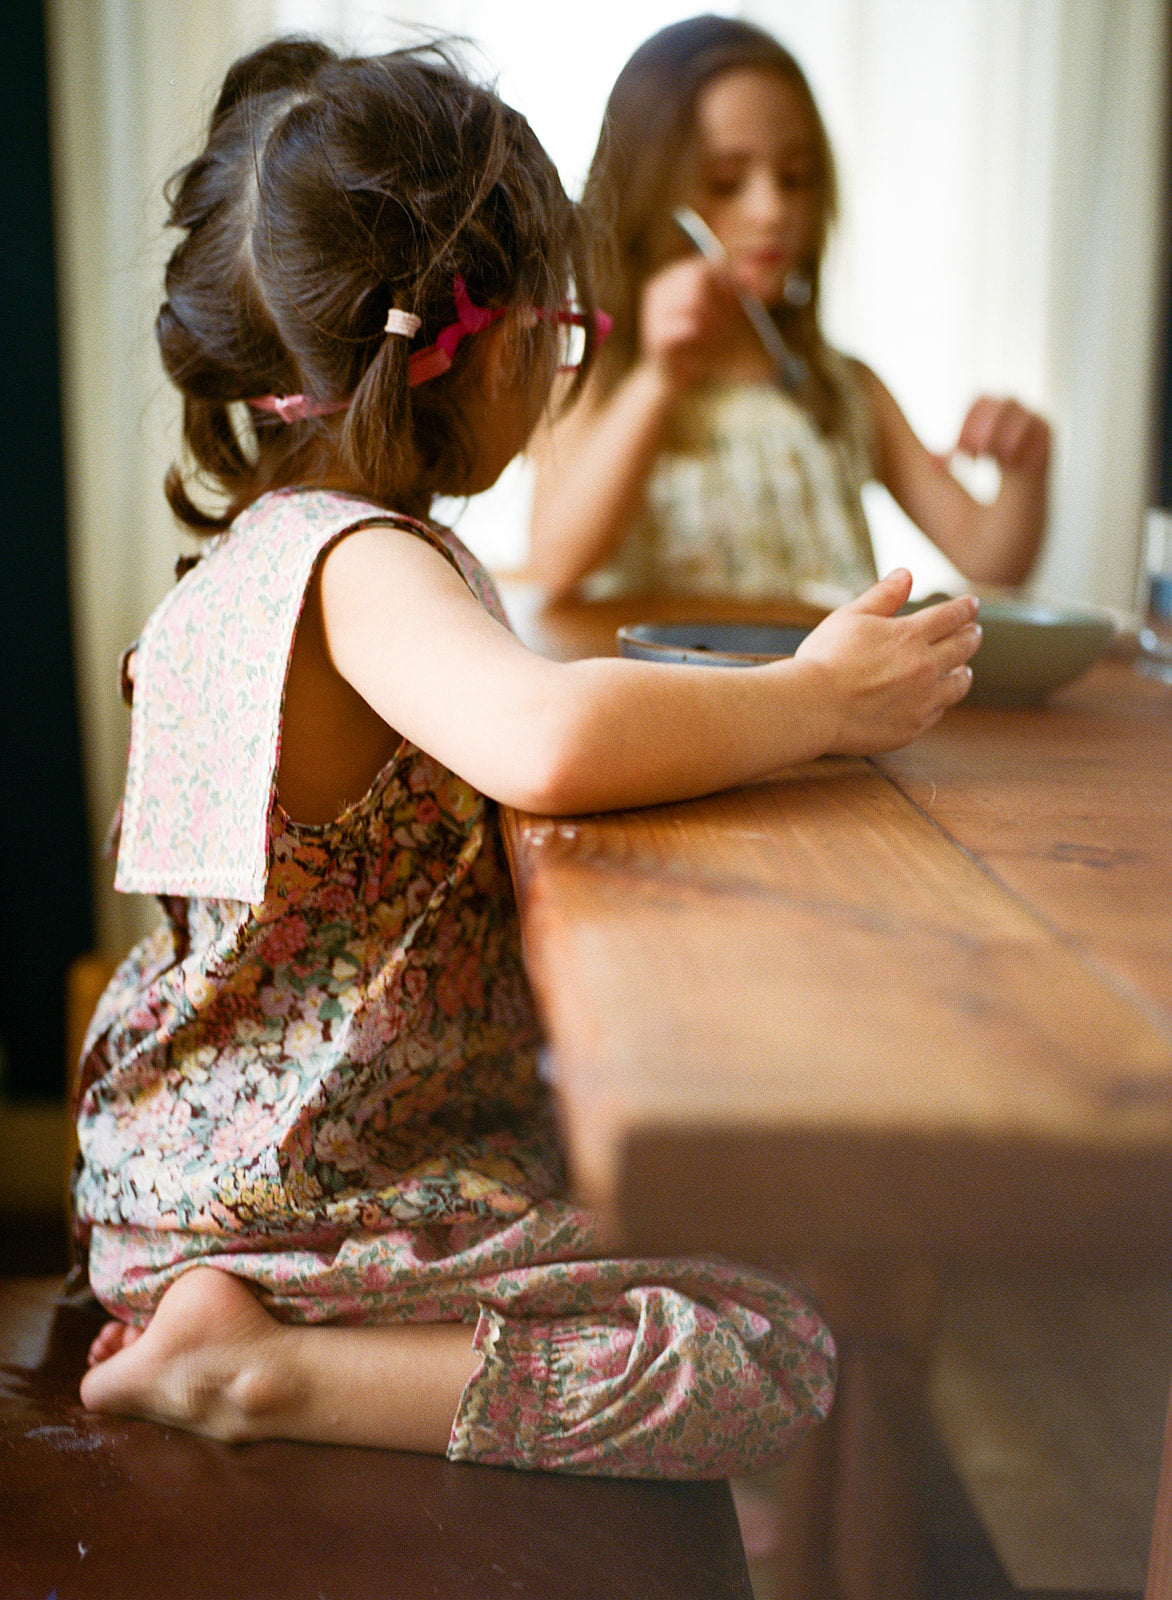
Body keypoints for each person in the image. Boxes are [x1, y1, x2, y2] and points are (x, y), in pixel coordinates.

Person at [73, 35, 981, 1476]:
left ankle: (248, 1320)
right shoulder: (362, 569)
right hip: (295, 1205)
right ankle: (270, 1371)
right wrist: (817, 700)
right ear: (485, 341)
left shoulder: (246, 565)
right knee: (774, 1349)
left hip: (179, 1180)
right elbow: (548, 738)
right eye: (563, 333)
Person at [528, 13, 1051, 605]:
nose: (771, 209)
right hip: (672, 697)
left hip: (826, 698)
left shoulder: (843, 386)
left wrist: (1025, 468)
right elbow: (555, 560)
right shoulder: (600, 379)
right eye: (725, 181)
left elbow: (989, 557)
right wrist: (660, 377)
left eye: (796, 178)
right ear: (646, 196)